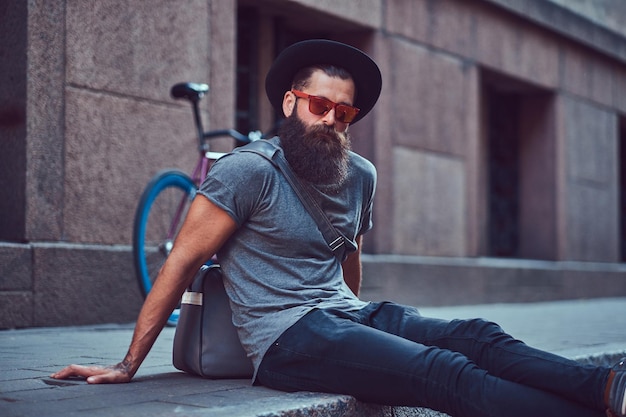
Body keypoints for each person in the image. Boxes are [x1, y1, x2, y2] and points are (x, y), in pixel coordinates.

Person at [52, 39, 625, 417]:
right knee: (443, 373)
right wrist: (128, 364)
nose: (330, 120)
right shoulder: (246, 171)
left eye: (343, 113)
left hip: (344, 315)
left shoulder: (359, 175)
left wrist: (363, 321)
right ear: (291, 100)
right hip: (287, 339)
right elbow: (179, 264)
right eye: (319, 106)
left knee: (479, 336)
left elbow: (348, 251)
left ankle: (605, 390)